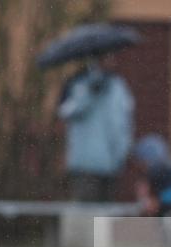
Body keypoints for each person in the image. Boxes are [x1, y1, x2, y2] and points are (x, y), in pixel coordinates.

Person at [57, 52, 134, 202]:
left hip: (111, 164)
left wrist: (122, 152)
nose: (111, 62)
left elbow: (123, 122)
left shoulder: (118, 87)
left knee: (105, 219)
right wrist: (88, 94)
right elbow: (66, 111)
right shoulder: (79, 83)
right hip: (85, 165)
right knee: (87, 216)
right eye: (106, 58)